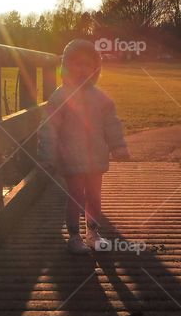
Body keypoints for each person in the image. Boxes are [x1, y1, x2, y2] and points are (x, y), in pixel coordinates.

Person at [38, 39, 130, 254]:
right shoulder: (60, 96)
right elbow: (48, 128)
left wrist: (118, 146)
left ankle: (93, 232)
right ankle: (73, 235)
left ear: (95, 68)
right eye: (76, 64)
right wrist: (47, 156)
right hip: (70, 158)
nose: (82, 69)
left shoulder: (101, 98)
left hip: (96, 158)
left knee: (94, 196)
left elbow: (112, 124)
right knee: (75, 196)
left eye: (87, 64)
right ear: (66, 66)